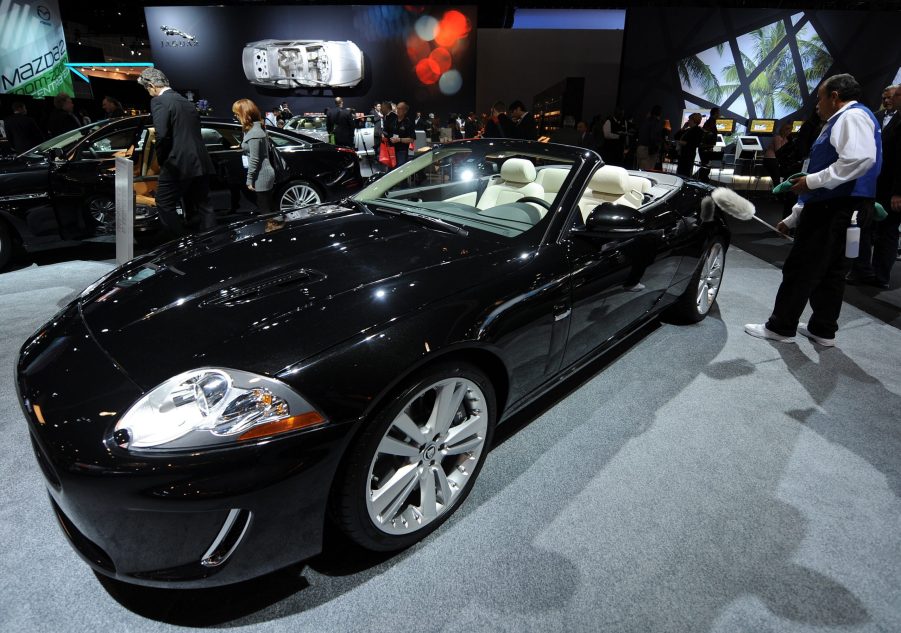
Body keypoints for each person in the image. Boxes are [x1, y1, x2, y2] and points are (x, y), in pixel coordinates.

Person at [745, 73, 881, 347]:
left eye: (820, 97)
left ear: (834, 96)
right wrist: (795, 216)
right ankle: (823, 329)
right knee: (832, 271)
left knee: (802, 267)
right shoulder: (860, 117)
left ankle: (781, 327)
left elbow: (859, 159)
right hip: (849, 208)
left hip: (833, 208)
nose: (817, 104)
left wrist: (812, 180)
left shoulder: (849, 117)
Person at [138, 67, 215, 237]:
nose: (148, 92)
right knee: (204, 204)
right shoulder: (185, 101)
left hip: (177, 162)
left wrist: (163, 158)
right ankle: (212, 241)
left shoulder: (159, 102)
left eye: (146, 89)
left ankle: (180, 242)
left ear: (151, 85)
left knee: (164, 203)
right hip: (199, 160)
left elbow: (162, 134)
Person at [852, 83, 901, 289]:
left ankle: (880, 276)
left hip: (891, 188)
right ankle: (861, 271)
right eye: (884, 96)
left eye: (892, 96)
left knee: (887, 232)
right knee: (862, 226)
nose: (886, 100)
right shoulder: (875, 117)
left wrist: (898, 192)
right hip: (870, 184)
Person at [232, 98, 276, 213]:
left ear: (244, 113)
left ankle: (274, 229)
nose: (236, 116)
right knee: (268, 207)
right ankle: (274, 227)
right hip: (263, 173)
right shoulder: (255, 129)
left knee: (266, 210)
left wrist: (249, 180)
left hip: (261, 175)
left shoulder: (254, 133)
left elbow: (255, 159)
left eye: (237, 113)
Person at [384, 101, 415, 166]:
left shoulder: (408, 123)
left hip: (401, 151)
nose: (398, 110)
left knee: (400, 171)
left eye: (400, 109)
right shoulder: (392, 121)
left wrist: (399, 139)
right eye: (397, 108)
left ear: (405, 111)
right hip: (391, 150)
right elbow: (386, 132)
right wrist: (384, 135)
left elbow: (411, 139)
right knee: (391, 170)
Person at [763, 122, 792, 186]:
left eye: (790, 130)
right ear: (783, 130)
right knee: (776, 178)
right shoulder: (778, 138)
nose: (789, 132)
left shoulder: (786, 140)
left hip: (776, 160)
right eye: (787, 130)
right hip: (770, 160)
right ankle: (776, 192)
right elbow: (778, 151)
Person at [636, 105, 664, 170]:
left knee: (642, 172)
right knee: (648, 173)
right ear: (660, 113)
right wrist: (657, 147)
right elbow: (653, 137)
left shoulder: (645, 121)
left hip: (640, 149)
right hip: (648, 151)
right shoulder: (655, 123)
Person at [676, 113, 703, 177]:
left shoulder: (698, 131)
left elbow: (695, 143)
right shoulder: (688, 130)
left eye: (689, 120)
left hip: (688, 156)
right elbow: (676, 136)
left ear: (693, 120)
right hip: (683, 154)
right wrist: (683, 128)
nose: (688, 121)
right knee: (680, 172)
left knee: (684, 173)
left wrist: (684, 143)